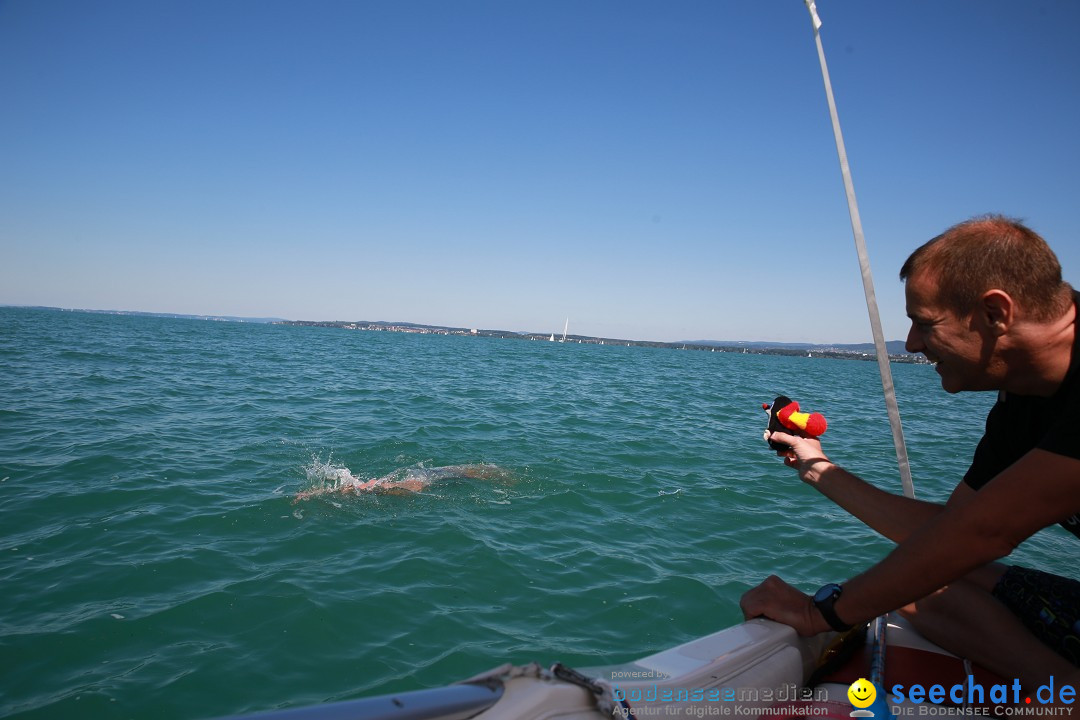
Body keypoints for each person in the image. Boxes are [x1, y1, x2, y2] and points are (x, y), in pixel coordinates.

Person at [740, 216, 1080, 691]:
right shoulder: (1023, 399)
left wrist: (815, 614)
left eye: (924, 323)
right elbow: (948, 536)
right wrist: (815, 466)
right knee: (925, 588)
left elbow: (985, 533)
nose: (913, 343)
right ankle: (1065, 691)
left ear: (996, 313)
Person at [294, 463, 508, 502]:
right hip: (423, 478)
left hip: (424, 476)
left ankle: (492, 473)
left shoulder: (387, 486)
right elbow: (352, 489)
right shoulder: (388, 487)